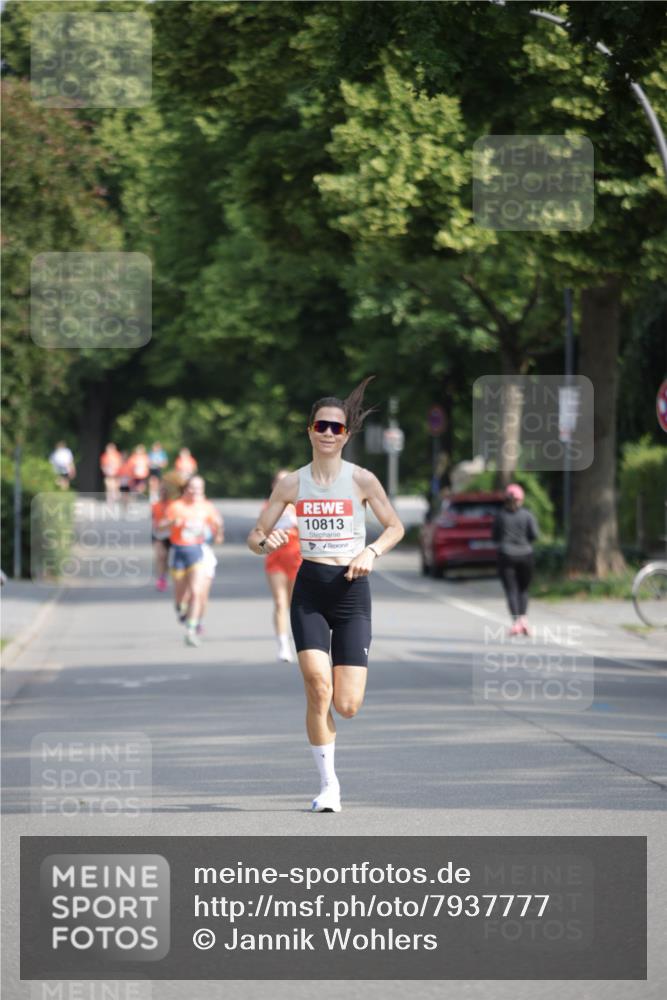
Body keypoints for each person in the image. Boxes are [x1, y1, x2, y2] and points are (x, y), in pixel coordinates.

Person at [247, 378, 404, 813]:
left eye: (337, 428)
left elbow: (396, 528)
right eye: (322, 426)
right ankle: (328, 786)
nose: (329, 433)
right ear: (310, 431)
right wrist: (267, 543)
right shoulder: (292, 485)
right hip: (311, 590)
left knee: (347, 704)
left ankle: (332, 763)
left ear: (346, 435)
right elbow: (255, 536)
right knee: (318, 688)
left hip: (353, 592)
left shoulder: (363, 480)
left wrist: (371, 551)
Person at [167, 475, 222, 646]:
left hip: (197, 552)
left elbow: (217, 528)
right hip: (178, 552)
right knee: (180, 594)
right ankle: (179, 607)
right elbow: (160, 527)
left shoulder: (206, 507)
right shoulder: (176, 506)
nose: (196, 491)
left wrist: (218, 529)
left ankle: (191, 630)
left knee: (197, 592)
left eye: (199, 488)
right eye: (193, 488)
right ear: (186, 488)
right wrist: (173, 523)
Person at [262, 470, 303, 662]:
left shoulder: (300, 506)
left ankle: (300, 642)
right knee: (280, 602)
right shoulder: (269, 507)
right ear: (273, 486)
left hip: (297, 558)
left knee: (296, 604)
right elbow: (259, 534)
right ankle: (283, 645)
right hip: (276, 559)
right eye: (279, 482)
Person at [492, 483, 539, 636]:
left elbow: (494, 537)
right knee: (523, 589)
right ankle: (524, 620)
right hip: (526, 555)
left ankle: (516, 622)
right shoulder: (527, 515)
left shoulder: (500, 516)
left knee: (511, 590)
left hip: (506, 556)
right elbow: (534, 535)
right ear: (521, 499)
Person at [151, 483, 172, 592]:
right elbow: (153, 520)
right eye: (161, 492)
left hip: (170, 534)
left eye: (165, 492)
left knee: (167, 557)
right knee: (160, 556)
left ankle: (164, 575)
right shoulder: (155, 505)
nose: (163, 494)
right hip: (158, 534)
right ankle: (160, 577)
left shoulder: (173, 505)